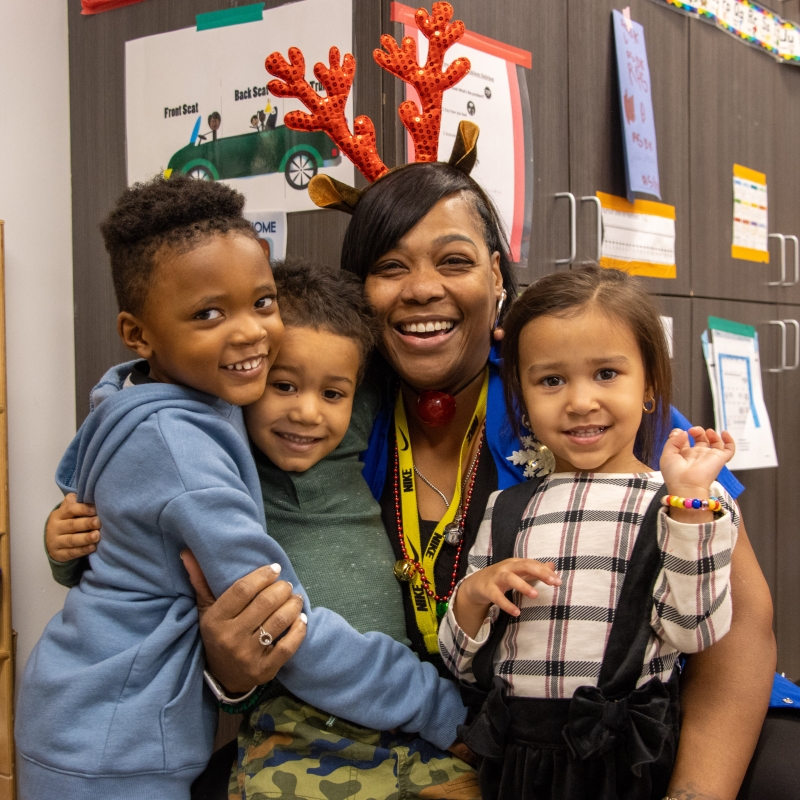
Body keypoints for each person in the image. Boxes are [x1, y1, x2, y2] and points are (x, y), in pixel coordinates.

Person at [47, 162, 780, 799]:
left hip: (613, 734)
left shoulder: (579, 402)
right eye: (390, 267)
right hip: (407, 736)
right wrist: (222, 666)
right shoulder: (326, 417)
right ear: (359, 292)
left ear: (497, 275)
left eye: (453, 261)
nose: (420, 289)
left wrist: (693, 793)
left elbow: (740, 625)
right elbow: (167, 463)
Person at [20, 176, 467, 800]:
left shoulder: (146, 397)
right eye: (208, 313)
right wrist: (437, 706)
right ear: (138, 334)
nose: (251, 333)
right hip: (112, 743)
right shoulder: (184, 452)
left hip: (93, 714)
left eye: (261, 302)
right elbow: (286, 621)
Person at [439, 266, 740, 799]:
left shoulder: (682, 501)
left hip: (623, 754)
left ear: (648, 384)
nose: (580, 401)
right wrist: (471, 598)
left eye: (606, 373)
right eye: (551, 380)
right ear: (522, 397)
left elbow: (694, 631)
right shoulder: (505, 508)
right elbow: (463, 666)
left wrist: (690, 504)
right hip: (515, 754)